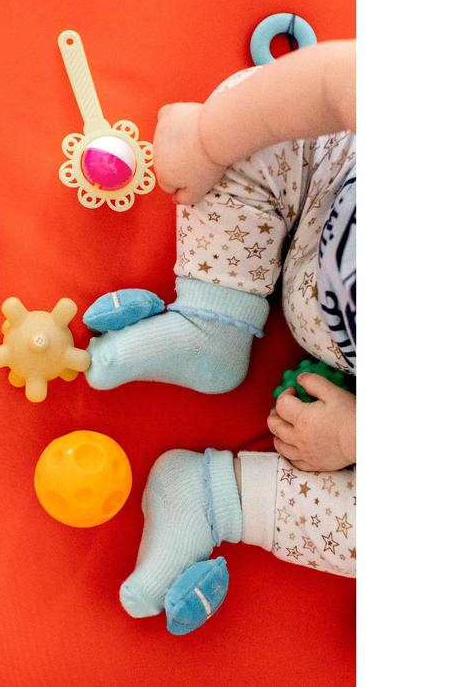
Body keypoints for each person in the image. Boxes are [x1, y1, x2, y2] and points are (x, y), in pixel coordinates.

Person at [85, 40, 357, 620]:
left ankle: (214, 497)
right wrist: (208, 141)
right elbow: (334, 80)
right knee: (251, 114)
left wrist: (354, 435)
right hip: (321, 210)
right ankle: (212, 324)